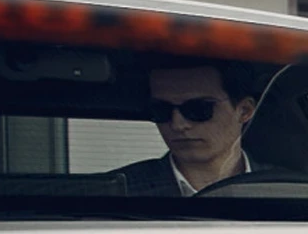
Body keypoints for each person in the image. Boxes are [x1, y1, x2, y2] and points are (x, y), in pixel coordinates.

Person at [111, 63, 260, 197]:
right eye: (161, 110)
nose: (178, 125)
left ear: (244, 111)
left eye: (198, 109)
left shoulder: (273, 185)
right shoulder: (116, 191)